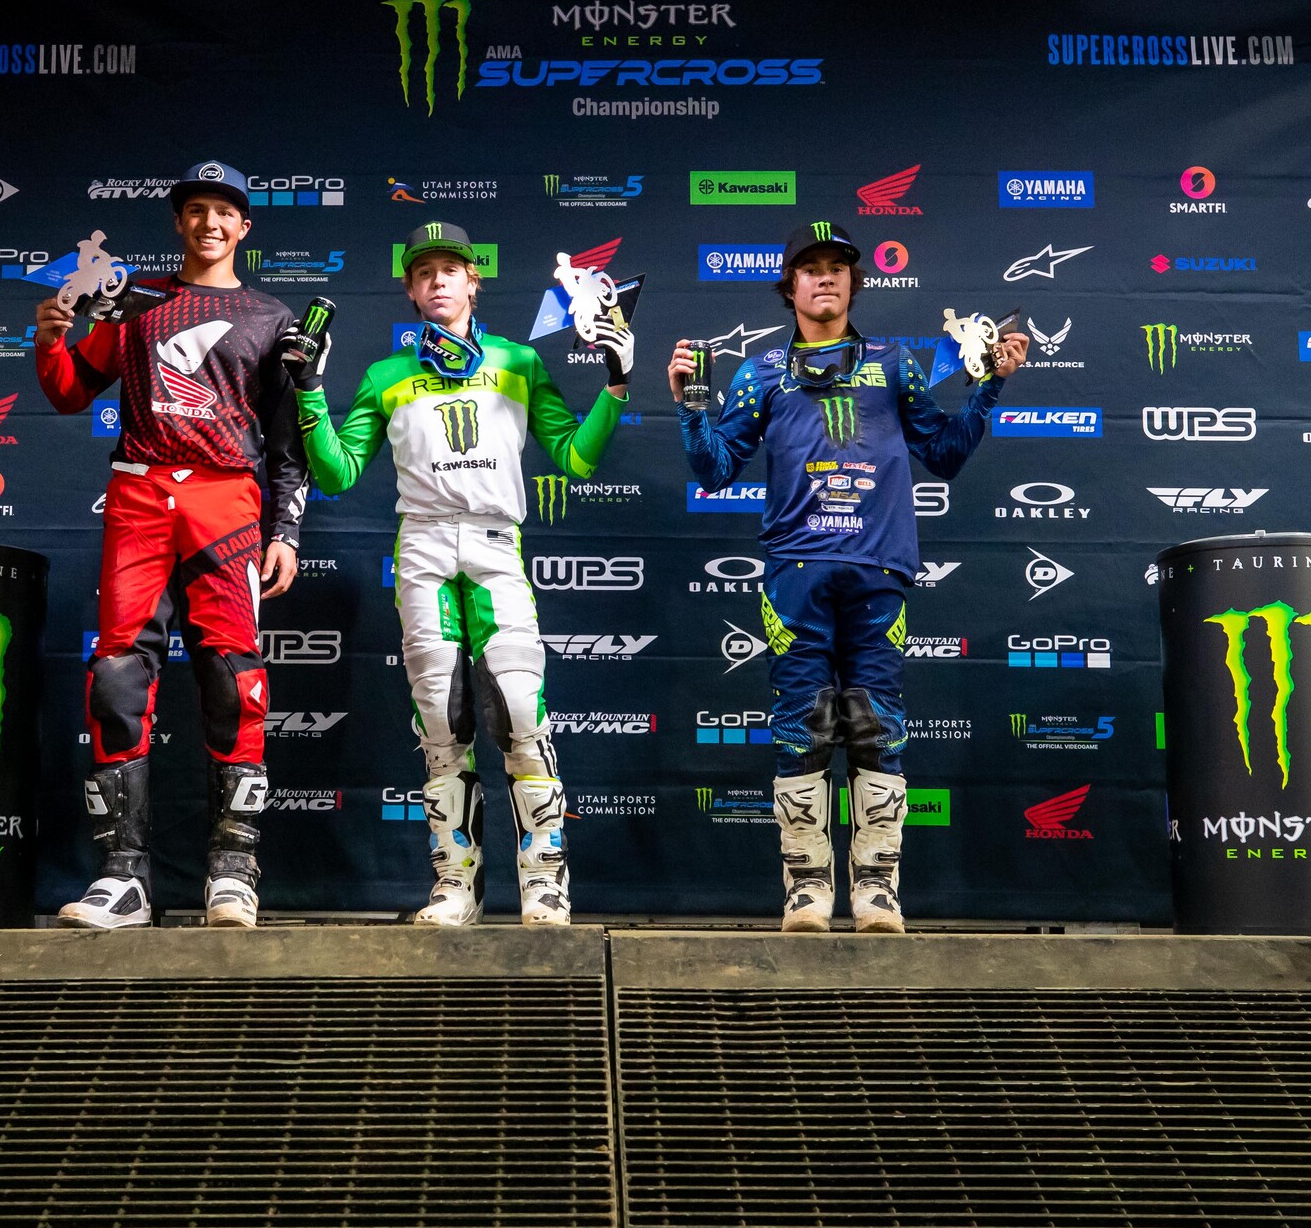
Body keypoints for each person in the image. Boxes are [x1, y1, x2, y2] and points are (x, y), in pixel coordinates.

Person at [671, 221, 1027, 933]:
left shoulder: (896, 363)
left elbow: (946, 455)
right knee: (801, 726)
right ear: (790, 286)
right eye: (810, 267)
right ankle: (806, 887)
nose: (825, 277)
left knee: (877, 726)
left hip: (879, 566)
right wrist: (690, 402)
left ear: (855, 283)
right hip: (795, 570)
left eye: (838, 266)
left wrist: (989, 387)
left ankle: (877, 889)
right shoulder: (760, 371)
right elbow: (713, 469)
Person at [283, 221, 632, 926]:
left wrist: (619, 384)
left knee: (524, 715)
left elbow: (575, 459)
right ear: (411, 291)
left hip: (498, 545)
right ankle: (455, 885)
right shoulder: (386, 375)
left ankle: (544, 883)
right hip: (425, 552)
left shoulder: (520, 360)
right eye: (423, 272)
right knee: (440, 725)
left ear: (475, 280)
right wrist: (311, 390)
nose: (438, 280)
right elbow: (336, 473)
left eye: (451, 268)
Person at [32, 160, 308, 929]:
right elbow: (67, 392)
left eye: (225, 211)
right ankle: (124, 880)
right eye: (196, 210)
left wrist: (285, 530)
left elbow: (289, 444)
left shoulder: (271, 317)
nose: (210, 223)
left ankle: (233, 873)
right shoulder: (135, 300)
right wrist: (53, 336)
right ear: (178, 222)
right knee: (118, 677)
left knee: (234, 678)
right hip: (140, 494)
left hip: (229, 502)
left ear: (244, 226)